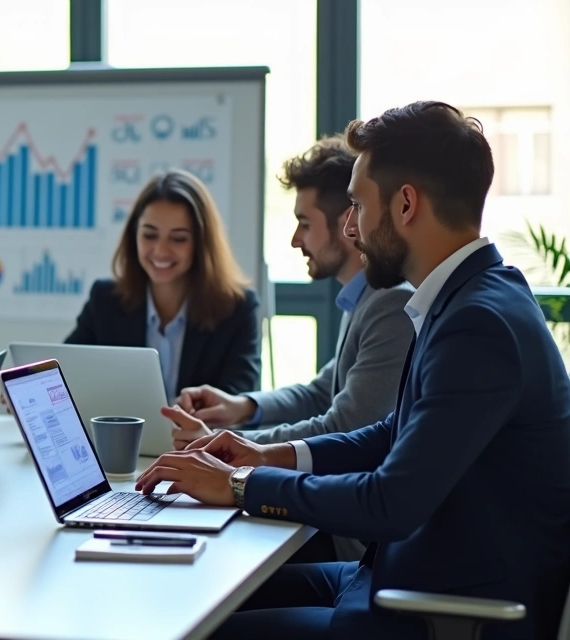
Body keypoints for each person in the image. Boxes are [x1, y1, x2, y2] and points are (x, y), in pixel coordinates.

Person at [136, 102, 570, 639]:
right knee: (201, 593)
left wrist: (243, 485)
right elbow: (396, 432)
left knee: (200, 628)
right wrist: (268, 455)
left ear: (406, 204)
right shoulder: (475, 295)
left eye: (359, 205)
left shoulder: (476, 324)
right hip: (394, 578)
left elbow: (390, 502)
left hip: (438, 610)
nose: (352, 226)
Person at [173, 137, 414, 561]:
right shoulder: (364, 300)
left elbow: (343, 423)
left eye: (304, 223)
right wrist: (242, 407)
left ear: (347, 222)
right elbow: (322, 391)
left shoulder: (389, 304)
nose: (294, 240)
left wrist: (229, 447)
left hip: (349, 540)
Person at [64, 169, 261, 401]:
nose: (161, 251)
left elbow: (238, 401)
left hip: (199, 438)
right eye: (149, 235)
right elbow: (65, 369)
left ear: (201, 244)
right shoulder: (105, 300)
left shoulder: (237, 308)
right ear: (134, 236)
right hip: (122, 438)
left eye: (178, 238)